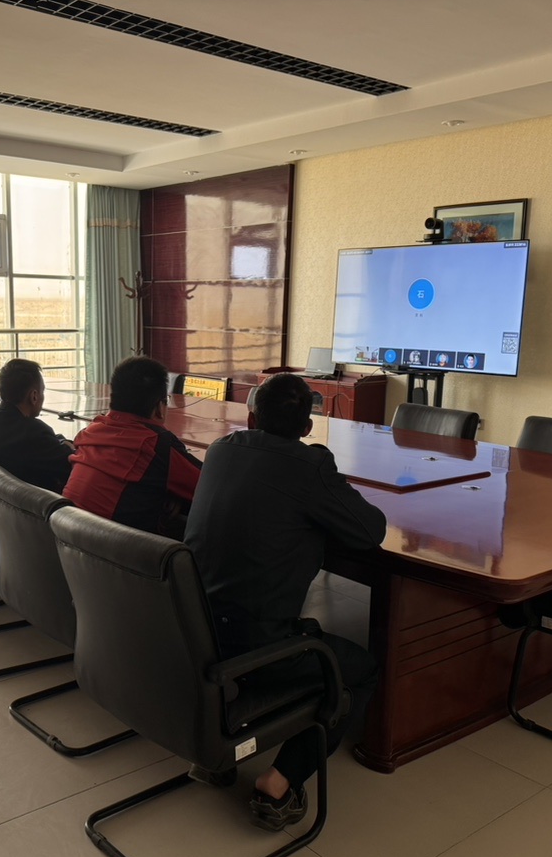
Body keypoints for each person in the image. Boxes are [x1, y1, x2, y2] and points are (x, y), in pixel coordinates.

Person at [184, 372, 386, 832]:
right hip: (256, 645)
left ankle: (220, 746)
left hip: (193, 629)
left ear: (251, 418)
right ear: (308, 427)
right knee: (359, 670)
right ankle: (279, 784)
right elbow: (370, 530)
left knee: (257, 626)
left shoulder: (220, 450)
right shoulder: (309, 466)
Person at [63, 355, 201, 537]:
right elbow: (211, 488)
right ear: (159, 408)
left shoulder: (90, 432)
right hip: (116, 550)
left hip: (65, 541)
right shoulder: (156, 445)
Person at [0, 358, 74, 492]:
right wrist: (68, 446)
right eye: (42, 391)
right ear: (34, 396)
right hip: (27, 504)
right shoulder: (33, 433)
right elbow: (72, 466)